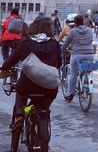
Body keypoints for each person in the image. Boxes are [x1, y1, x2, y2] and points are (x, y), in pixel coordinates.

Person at [0, 17, 61, 152]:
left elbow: (9, 61)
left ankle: (20, 117)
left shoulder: (26, 43)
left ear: (32, 28)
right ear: (50, 29)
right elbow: (59, 64)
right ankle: (41, 118)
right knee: (44, 107)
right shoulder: (55, 44)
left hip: (27, 86)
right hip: (49, 87)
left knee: (21, 97)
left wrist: (4, 68)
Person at [61, 15, 94, 102]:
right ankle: (87, 84)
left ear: (75, 23)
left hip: (77, 55)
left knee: (73, 74)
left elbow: (66, 43)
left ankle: (69, 95)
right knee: (88, 70)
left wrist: (61, 50)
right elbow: (90, 41)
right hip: (90, 55)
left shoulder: (73, 31)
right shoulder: (90, 30)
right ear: (83, 21)